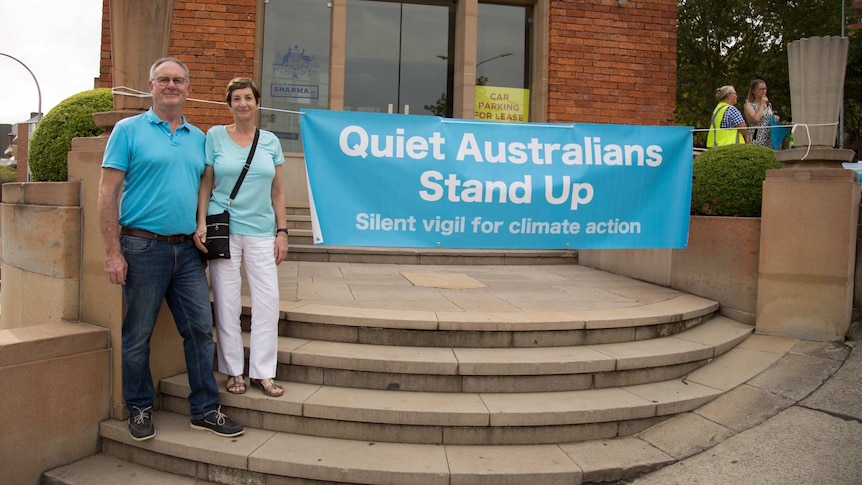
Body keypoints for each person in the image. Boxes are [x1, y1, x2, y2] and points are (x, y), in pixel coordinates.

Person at [99, 57, 244, 441]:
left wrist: (202, 226)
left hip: (188, 252)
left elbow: (204, 189)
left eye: (178, 80)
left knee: (199, 331)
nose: (171, 85)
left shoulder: (199, 138)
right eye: (164, 79)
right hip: (141, 247)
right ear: (150, 85)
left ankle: (205, 409)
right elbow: (107, 193)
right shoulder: (127, 131)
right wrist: (113, 252)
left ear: (187, 88)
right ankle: (140, 407)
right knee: (138, 336)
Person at [196, 77, 288, 398]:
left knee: (268, 302)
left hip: (262, 231)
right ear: (229, 105)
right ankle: (234, 370)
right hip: (225, 229)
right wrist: (200, 223)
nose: (243, 104)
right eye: (236, 99)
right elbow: (206, 185)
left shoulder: (270, 141)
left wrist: (282, 231)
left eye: (248, 98)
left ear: (257, 102)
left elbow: (277, 191)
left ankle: (263, 372)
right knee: (226, 301)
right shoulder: (215, 137)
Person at [743, 79, 780, 147]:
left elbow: (767, 118)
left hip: (770, 137)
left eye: (765, 89)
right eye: (761, 89)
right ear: (753, 91)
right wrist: (762, 104)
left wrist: (774, 117)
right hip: (757, 137)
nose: (764, 91)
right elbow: (756, 119)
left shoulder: (769, 105)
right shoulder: (749, 105)